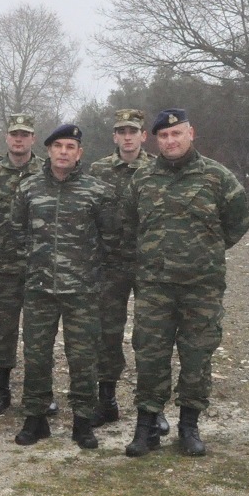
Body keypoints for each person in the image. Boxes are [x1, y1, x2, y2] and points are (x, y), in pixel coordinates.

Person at [125, 109, 249, 457]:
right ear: (156, 140)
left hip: (202, 286)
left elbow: (238, 221)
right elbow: (129, 222)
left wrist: (206, 250)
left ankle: (189, 426)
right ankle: (146, 426)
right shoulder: (143, 178)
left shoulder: (217, 177)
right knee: (150, 355)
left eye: (176, 134)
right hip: (154, 285)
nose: (170, 141)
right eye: (163, 136)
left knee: (197, 356)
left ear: (191, 134)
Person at [10, 125, 121, 449]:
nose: (63, 151)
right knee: (36, 356)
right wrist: (30, 269)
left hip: (82, 292)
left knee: (83, 358)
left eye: (70, 146)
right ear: (48, 150)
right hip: (40, 289)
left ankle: (83, 422)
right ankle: (36, 419)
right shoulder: (28, 188)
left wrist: (94, 276)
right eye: (57, 145)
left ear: (79, 153)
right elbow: (16, 234)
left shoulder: (96, 191)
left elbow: (111, 238)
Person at [87, 108, 156, 427]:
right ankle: (107, 400)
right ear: (114, 136)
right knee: (107, 333)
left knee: (151, 335)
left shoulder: (158, 169)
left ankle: (151, 407)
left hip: (148, 265)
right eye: (121, 131)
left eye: (133, 131)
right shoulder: (98, 170)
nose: (128, 137)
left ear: (144, 135)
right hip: (109, 265)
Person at [0, 114, 46, 418]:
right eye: (14, 134)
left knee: (39, 334)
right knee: (5, 331)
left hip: (40, 267)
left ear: (33, 138)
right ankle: (1, 389)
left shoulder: (47, 171)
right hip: (4, 267)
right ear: (6, 138)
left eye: (25, 134)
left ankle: (39, 393)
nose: (19, 139)